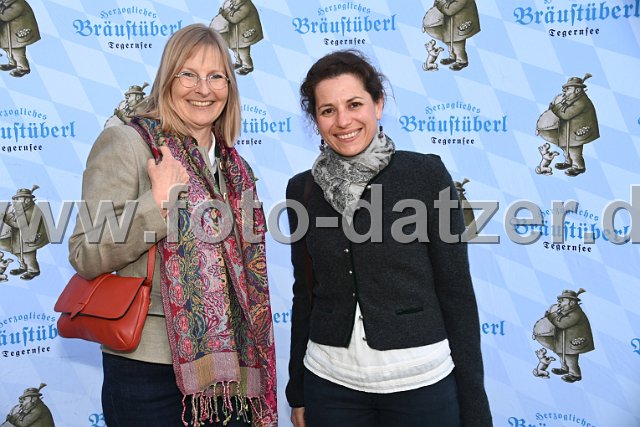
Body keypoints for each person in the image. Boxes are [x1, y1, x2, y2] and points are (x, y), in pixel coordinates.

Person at [68, 23, 277, 427]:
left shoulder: (235, 168)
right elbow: (85, 252)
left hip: (230, 372)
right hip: (148, 373)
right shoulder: (129, 144)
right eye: (189, 75)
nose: (204, 89)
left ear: (230, 87)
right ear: (167, 79)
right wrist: (158, 204)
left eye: (216, 76)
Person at [285, 50, 492, 427]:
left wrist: (475, 407)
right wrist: (297, 390)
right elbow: (306, 294)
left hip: (422, 386)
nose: (343, 121)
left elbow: (457, 292)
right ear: (315, 119)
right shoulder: (302, 190)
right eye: (328, 110)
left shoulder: (426, 176)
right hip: (330, 388)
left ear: (378, 104)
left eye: (354, 104)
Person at [547, 73, 600, 176]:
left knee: (574, 150)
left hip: (578, 131)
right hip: (568, 131)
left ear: (577, 90)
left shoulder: (581, 102)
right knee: (566, 147)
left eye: (568, 88)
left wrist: (554, 107)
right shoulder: (571, 99)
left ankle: (578, 167)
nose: (565, 91)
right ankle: (568, 162)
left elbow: (566, 114)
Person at [0, 0, 41, 77]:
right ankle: (12, 63)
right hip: (9, 34)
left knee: (18, 52)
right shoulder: (5, 3)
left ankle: (23, 68)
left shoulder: (19, 3)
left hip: (18, 33)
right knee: (8, 49)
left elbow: (5, 17)